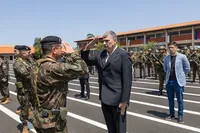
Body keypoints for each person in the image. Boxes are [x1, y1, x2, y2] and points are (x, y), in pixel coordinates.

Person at [29, 36, 88, 133]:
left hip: (39, 118)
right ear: (54, 50)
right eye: (61, 48)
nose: (63, 50)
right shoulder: (52, 68)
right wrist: (72, 53)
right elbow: (83, 69)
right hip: (53, 122)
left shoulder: (36, 65)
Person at [81, 31, 132, 133]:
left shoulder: (123, 55)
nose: (104, 43)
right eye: (103, 41)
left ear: (114, 40)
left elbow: (127, 80)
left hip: (118, 100)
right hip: (104, 98)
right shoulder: (101, 54)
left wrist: (124, 101)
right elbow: (85, 60)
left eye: (107, 41)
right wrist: (90, 44)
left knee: (120, 129)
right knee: (110, 128)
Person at [164, 41, 190, 123]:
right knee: (170, 100)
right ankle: (171, 114)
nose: (170, 49)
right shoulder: (166, 58)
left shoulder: (182, 57)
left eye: (172, 47)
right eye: (169, 48)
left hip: (178, 82)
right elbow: (165, 69)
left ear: (176, 48)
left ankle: (180, 116)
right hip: (169, 82)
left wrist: (181, 75)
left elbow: (187, 68)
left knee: (180, 100)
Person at [13, 45, 36, 133]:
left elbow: (37, 67)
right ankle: (25, 125)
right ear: (22, 53)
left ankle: (37, 121)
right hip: (24, 90)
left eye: (29, 52)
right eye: (28, 52)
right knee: (24, 108)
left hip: (32, 88)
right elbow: (27, 74)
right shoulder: (17, 63)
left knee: (36, 106)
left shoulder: (30, 60)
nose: (30, 53)